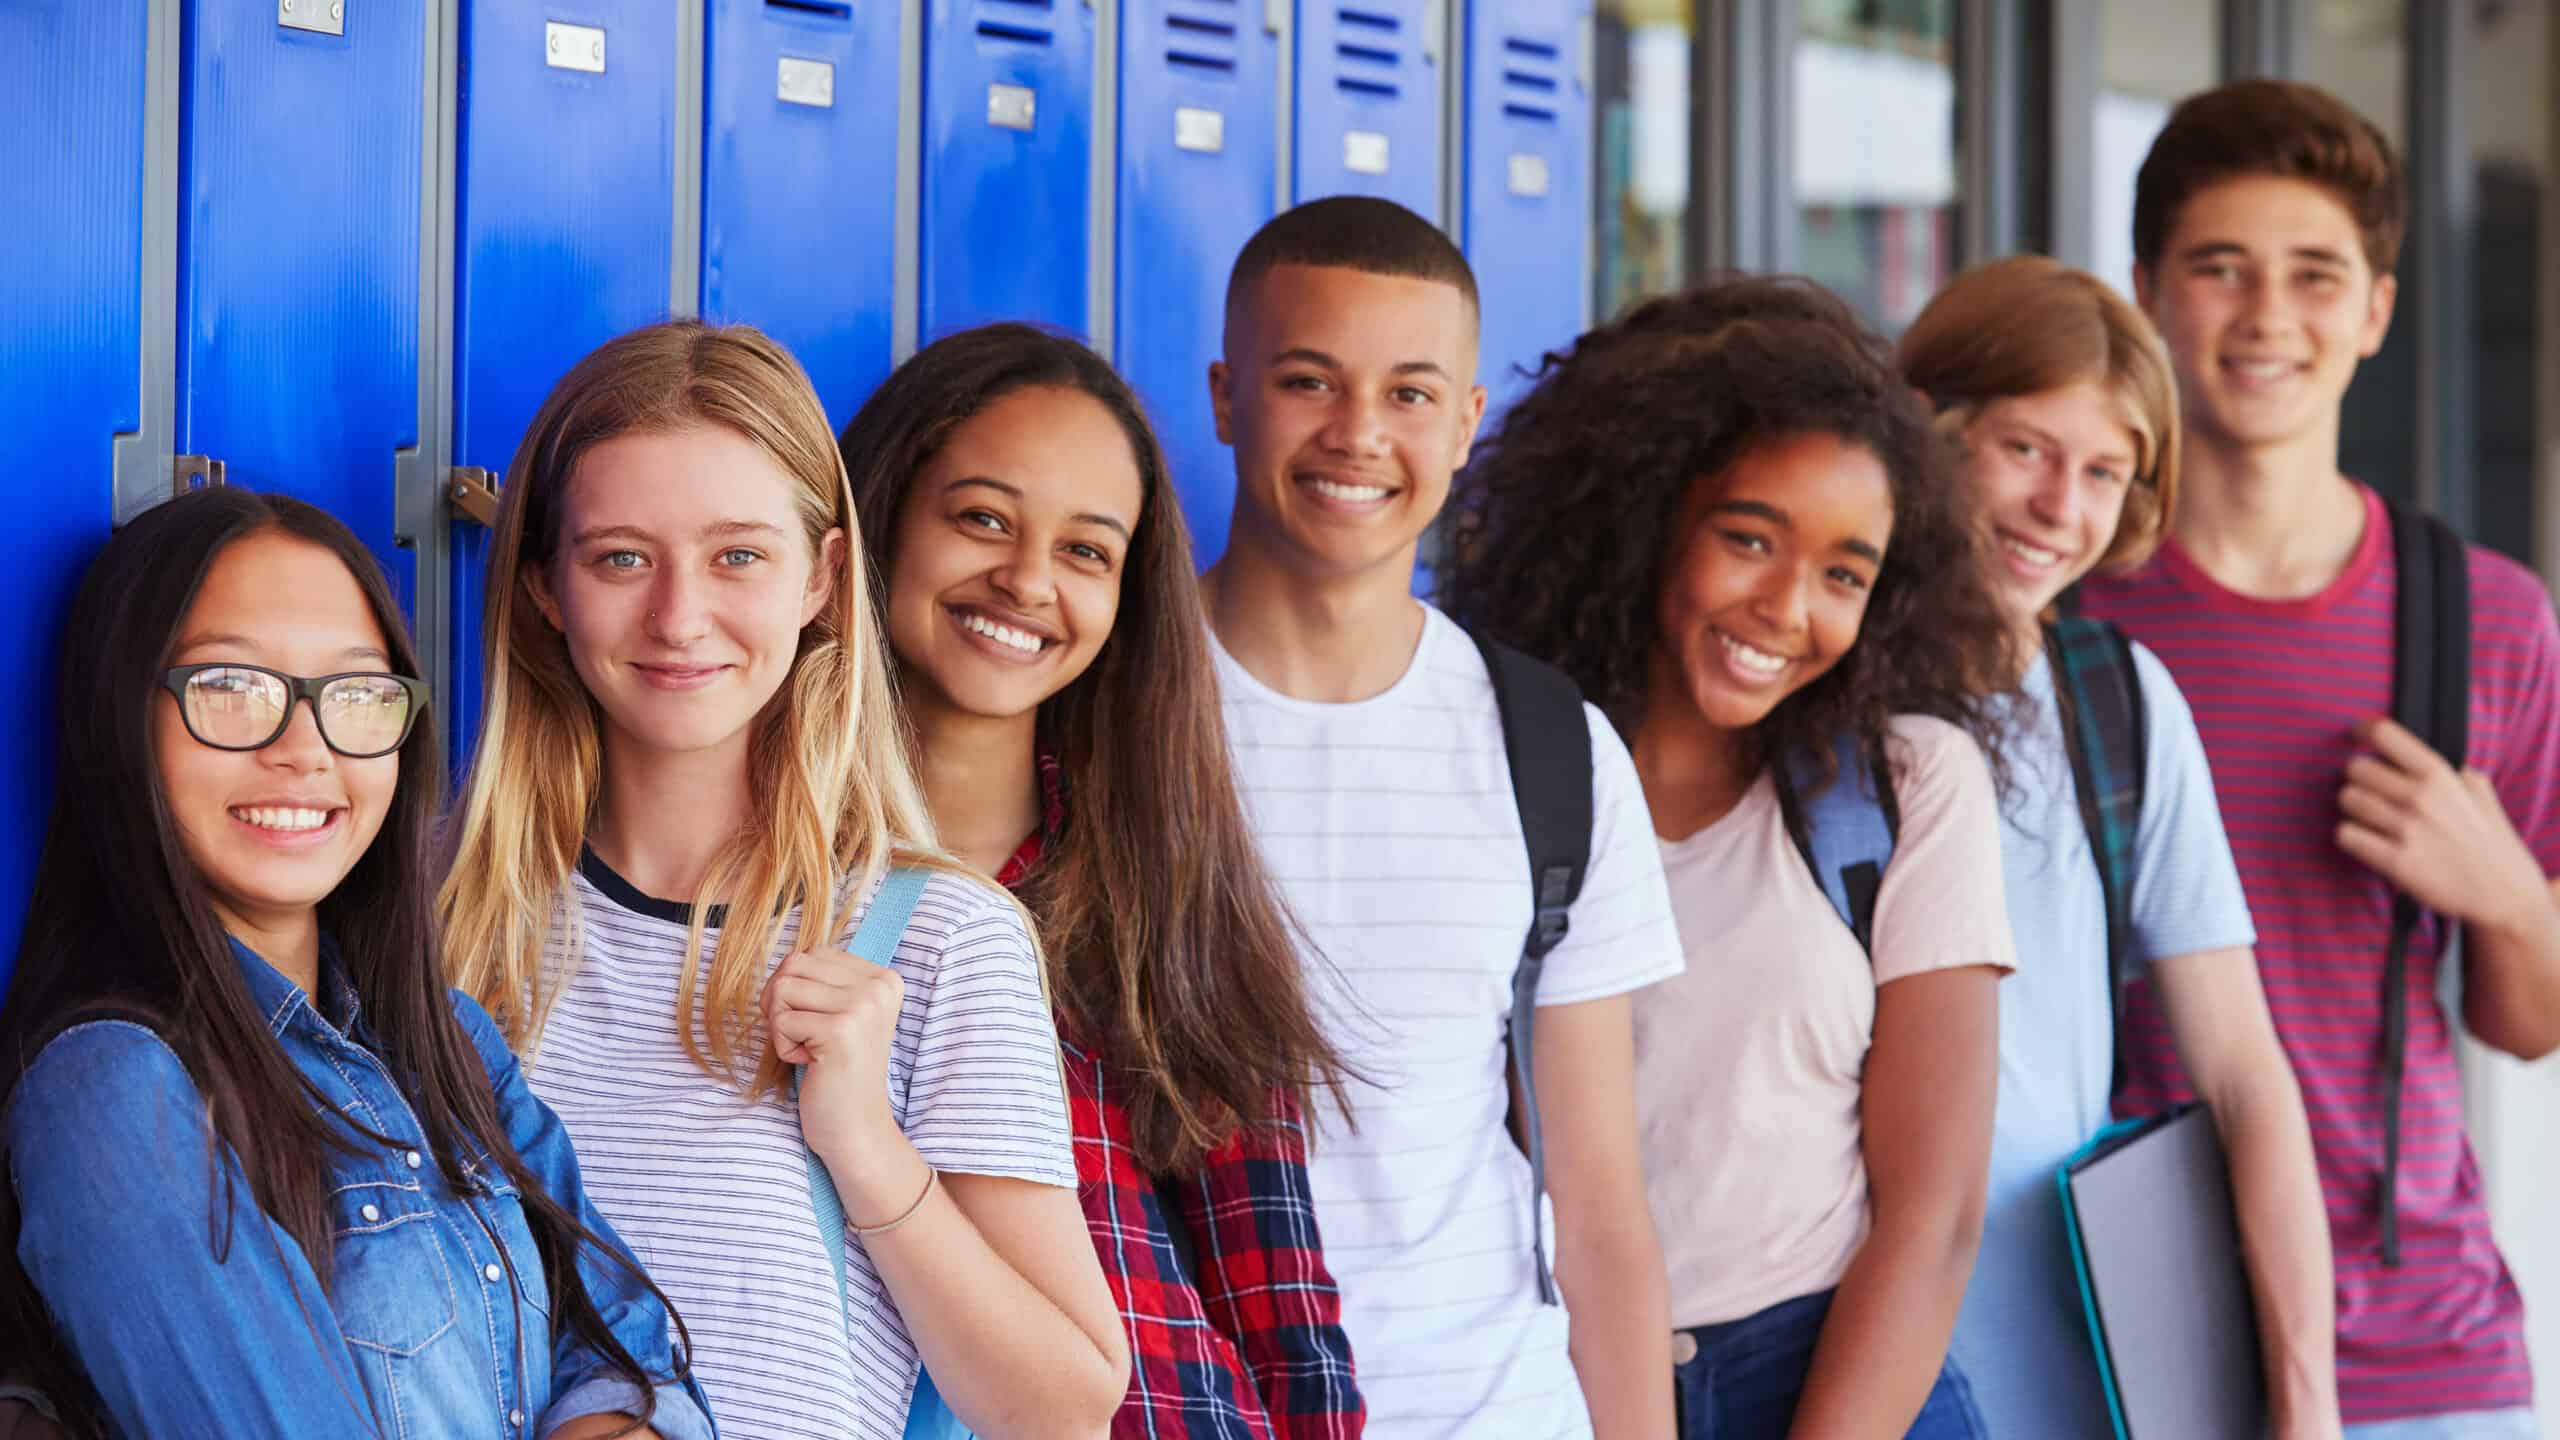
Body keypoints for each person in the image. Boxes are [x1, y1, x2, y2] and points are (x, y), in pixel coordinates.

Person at [439, 320, 1129, 1440]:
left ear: (824, 576)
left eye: (737, 557)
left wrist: (865, 1147)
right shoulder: (440, 924)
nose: (679, 617)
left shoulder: (937, 941)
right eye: (622, 556)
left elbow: (1064, 1411)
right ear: (544, 587)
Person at [0, 487, 709, 1439]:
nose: (306, 750)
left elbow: (631, 1342)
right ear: (123, 716)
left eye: (359, 695)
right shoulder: (122, 1089)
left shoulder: (448, 1040)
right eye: (230, 689)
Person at [1441, 276, 2016, 1439]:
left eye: (1842, 574)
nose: (1785, 608)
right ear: (1649, 516)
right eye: (1750, 540)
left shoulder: (1903, 790)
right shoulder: (1494, 769)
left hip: (1829, 1376)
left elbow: (1934, 1216)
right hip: (1549, 1377)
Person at [2081, 79, 2560, 1439]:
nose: (2266, 316)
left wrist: (2511, 898)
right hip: (2116, 1331)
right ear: (2150, 296)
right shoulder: (2070, 615)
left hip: (2419, 1354)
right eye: (2220, 269)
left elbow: (2527, 1023)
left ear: (2375, 311)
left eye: (2314, 275)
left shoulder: (2486, 621)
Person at [1200, 195, 1683, 1438]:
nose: (1359, 434)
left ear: (1467, 424)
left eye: (1411, 394)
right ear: (1224, 398)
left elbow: (1597, 1196)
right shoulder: (1105, 714)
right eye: (1308, 380)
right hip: (1188, 1406)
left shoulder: (1550, 749)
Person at [839, 322, 1365, 1438]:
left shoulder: (1160, 891)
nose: (1026, 580)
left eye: (1086, 551)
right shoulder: (751, 882)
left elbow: (1279, 1310)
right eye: (980, 518)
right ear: (878, 519)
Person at [1901, 254, 2343, 1438]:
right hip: (1828, 1351)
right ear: (1928, 432)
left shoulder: (2119, 702)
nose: (2062, 508)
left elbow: (2245, 1074)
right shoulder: (1819, 686)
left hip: (2070, 1356)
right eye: (2026, 450)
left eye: (2104, 471)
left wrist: (2303, 1402)